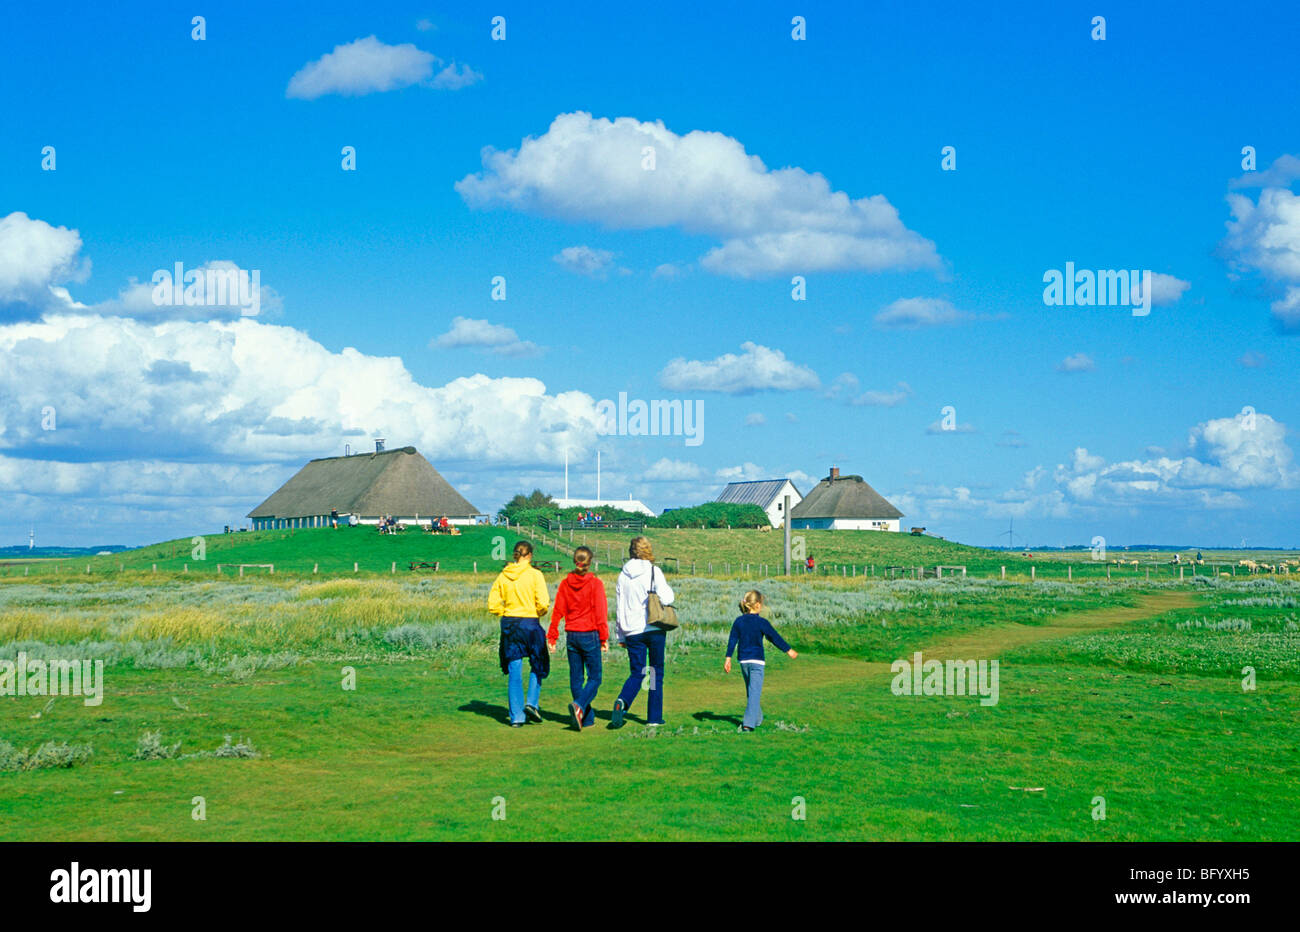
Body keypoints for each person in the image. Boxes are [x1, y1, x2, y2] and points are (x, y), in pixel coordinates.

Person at [610, 536, 674, 729]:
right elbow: (667, 597)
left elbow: (619, 607)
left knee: (637, 672)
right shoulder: (654, 571)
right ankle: (654, 717)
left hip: (632, 630)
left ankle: (623, 700)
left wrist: (620, 635)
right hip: (653, 627)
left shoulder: (623, 575)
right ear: (648, 550)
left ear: (631, 551)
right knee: (654, 672)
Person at [488, 541, 551, 726]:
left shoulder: (503, 575)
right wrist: (537, 612)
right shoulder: (535, 575)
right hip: (530, 621)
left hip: (510, 623)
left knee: (514, 668)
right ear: (529, 555)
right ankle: (532, 702)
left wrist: (504, 612)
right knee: (538, 662)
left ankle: (517, 716)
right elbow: (544, 602)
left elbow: (493, 603)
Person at [547, 546, 609, 730]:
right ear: (590, 563)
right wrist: (604, 638)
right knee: (595, 678)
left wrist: (552, 636)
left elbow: (558, 611)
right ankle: (579, 705)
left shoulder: (566, 584)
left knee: (576, 678)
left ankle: (586, 718)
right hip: (589, 634)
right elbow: (601, 613)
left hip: (572, 635)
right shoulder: (595, 584)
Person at [724, 590, 797, 732]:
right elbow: (774, 637)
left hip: (743, 662)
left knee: (752, 692)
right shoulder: (762, 622)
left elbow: (732, 640)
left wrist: (728, 659)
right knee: (754, 692)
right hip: (757, 662)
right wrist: (788, 650)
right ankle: (748, 725)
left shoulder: (738, 621)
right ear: (757, 605)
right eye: (762, 604)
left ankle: (757, 719)